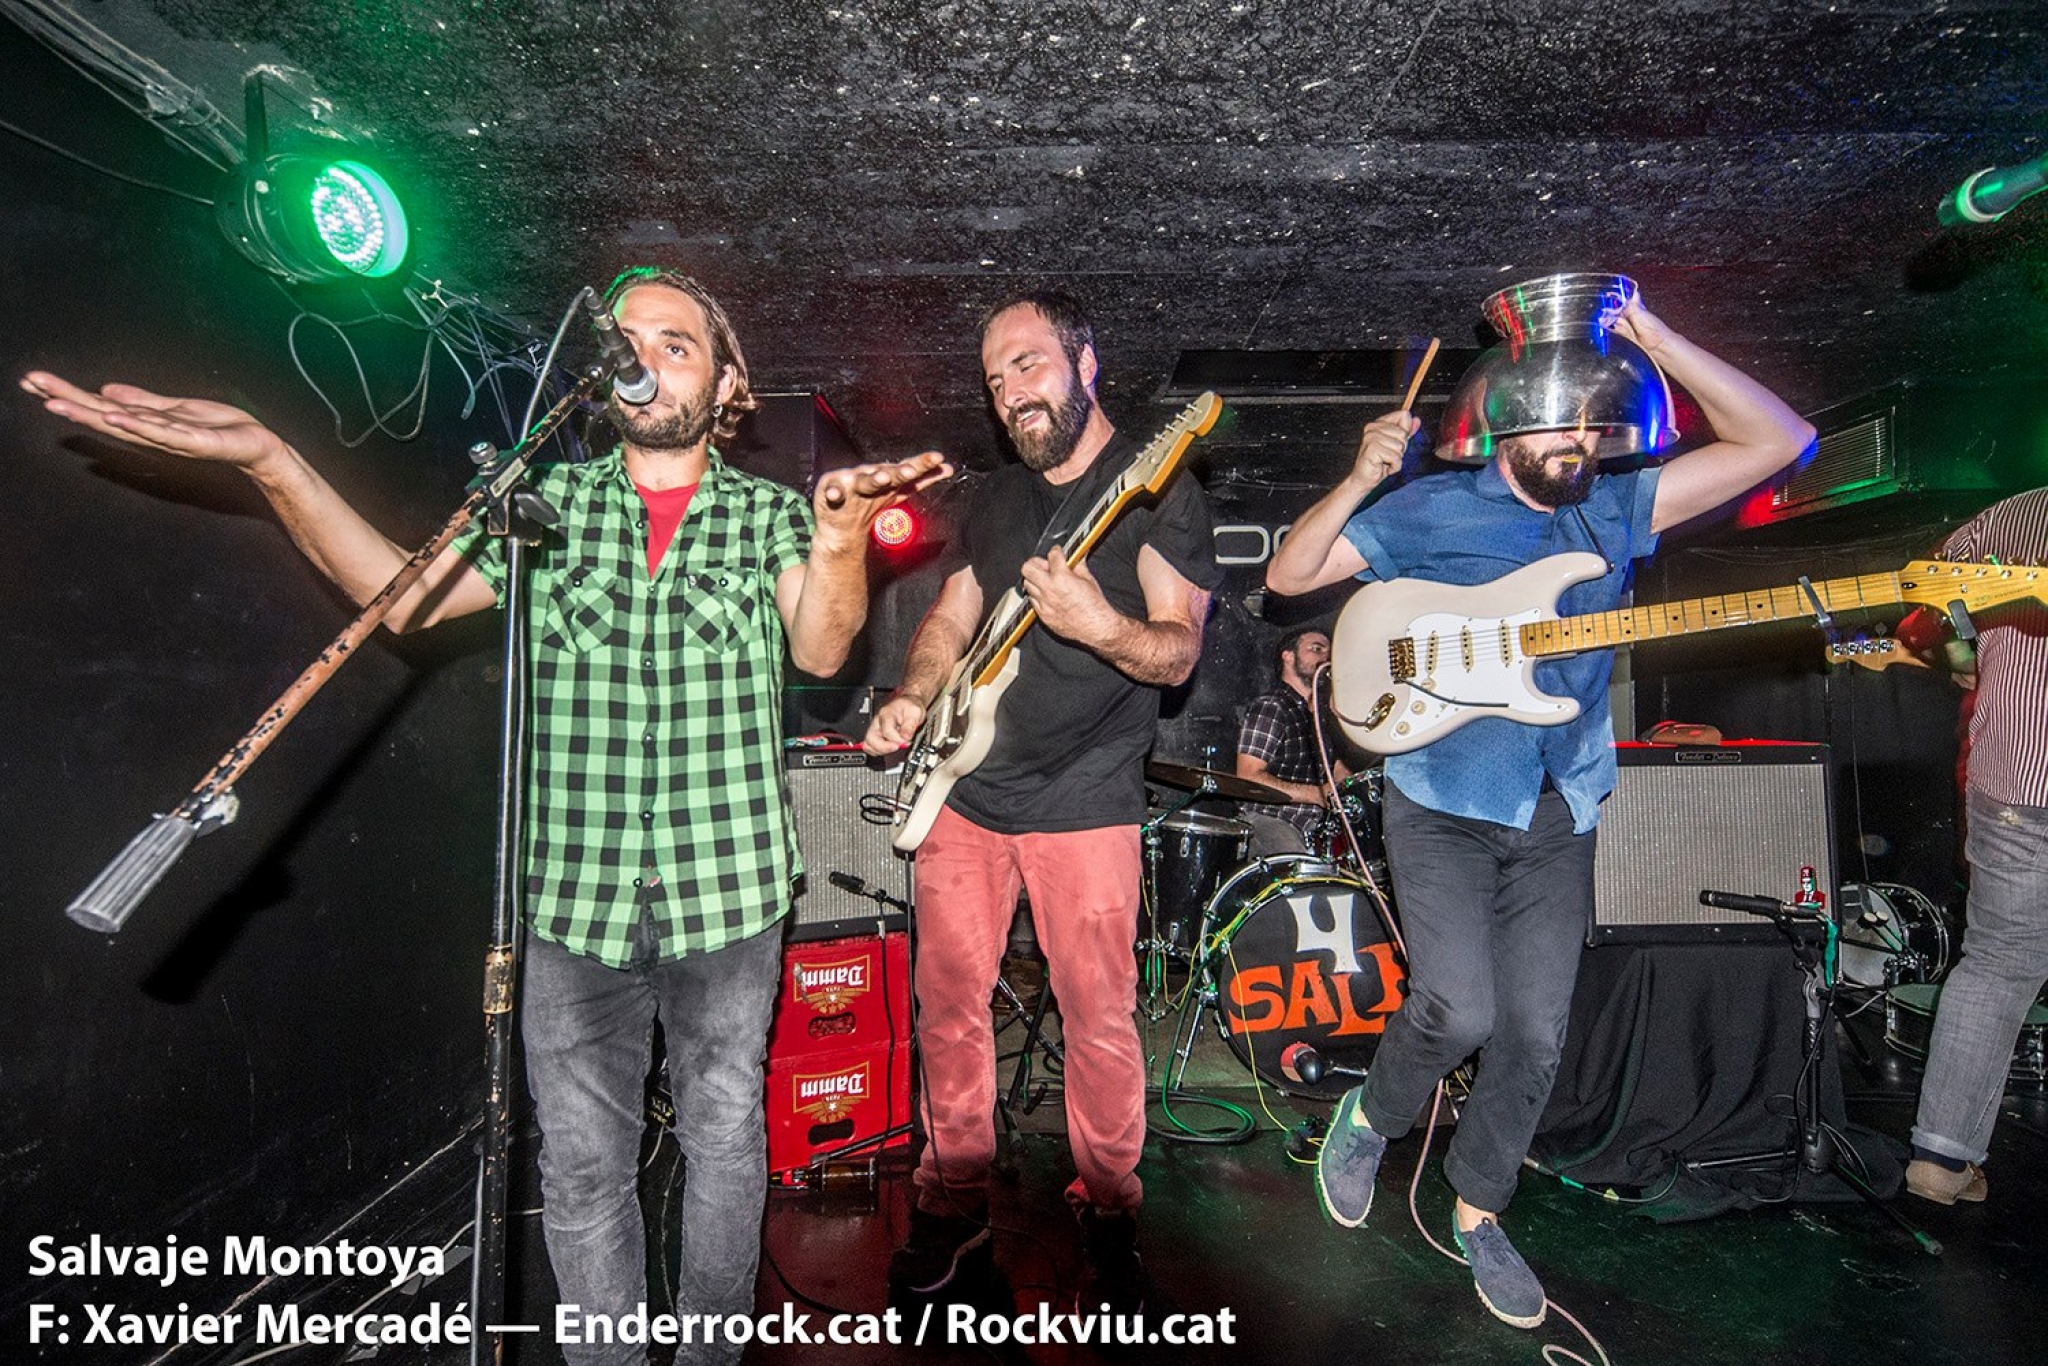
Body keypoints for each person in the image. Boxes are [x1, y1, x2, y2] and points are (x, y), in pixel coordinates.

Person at [23, 265, 948, 1366]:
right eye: (629, 341)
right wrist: (273, 460)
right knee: (583, 1169)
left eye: (679, 343)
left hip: (728, 896)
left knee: (722, 1140)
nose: (648, 359)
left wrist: (839, 543)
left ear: (726, 383)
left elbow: (822, 650)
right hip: (569, 905)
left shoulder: (766, 516)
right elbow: (403, 598)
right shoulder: (538, 505)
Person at [1264, 294, 1813, 1329]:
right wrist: (1361, 476)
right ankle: (1370, 1116)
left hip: (1560, 803)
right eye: (1561, 428)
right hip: (1441, 796)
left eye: (1593, 428)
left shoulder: (1615, 507)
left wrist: (1657, 340)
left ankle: (1479, 1206)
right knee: (1456, 1009)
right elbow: (1289, 574)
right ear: (1507, 425)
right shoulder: (1428, 510)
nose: (1580, 443)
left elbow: (1780, 440)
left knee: (1535, 1031)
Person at [861, 288, 1219, 1308]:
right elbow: (951, 615)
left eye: (1027, 364)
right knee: (947, 1008)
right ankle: (952, 1202)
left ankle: (1107, 1206)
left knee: (1098, 1016)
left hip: (1087, 794)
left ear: (1084, 361)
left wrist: (1096, 624)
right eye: (994, 379)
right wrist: (913, 695)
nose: (1010, 391)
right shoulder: (994, 499)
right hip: (967, 791)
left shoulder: (1155, 488)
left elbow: (1176, 651)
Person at [1901, 486, 2048, 1205]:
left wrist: (1969, 653)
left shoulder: (2018, 513)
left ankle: (1941, 1157)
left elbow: (1923, 596)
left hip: (2017, 776)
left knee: (1996, 964)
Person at [1235, 627, 1352, 856]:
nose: (1326, 657)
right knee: (1298, 864)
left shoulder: (1323, 715)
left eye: (1329, 652)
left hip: (1318, 828)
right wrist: (1318, 794)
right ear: (1288, 657)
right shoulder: (1272, 707)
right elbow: (1248, 776)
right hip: (1271, 819)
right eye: (1316, 649)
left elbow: (1339, 772)